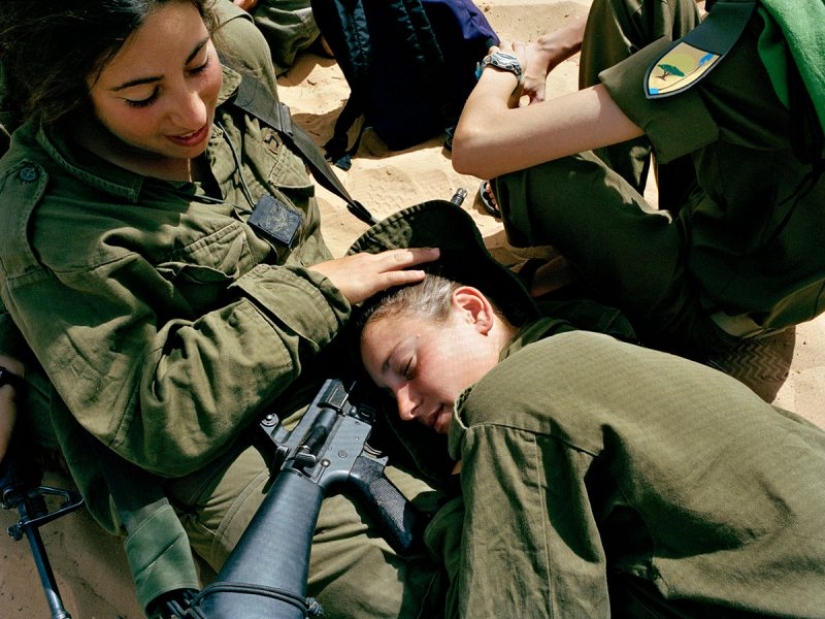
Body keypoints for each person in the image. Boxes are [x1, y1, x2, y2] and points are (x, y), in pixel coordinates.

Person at [0, 1, 446, 617]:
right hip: (219, 441)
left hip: (334, 338)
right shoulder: (57, 224)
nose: (191, 112)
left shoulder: (238, 53)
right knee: (416, 597)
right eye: (140, 96)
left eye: (197, 64)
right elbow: (156, 419)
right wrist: (313, 292)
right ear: (74, 93)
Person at [350, 201, 825, 619]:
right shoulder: (586, 353)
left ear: (474, 312)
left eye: (407, 367)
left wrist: (448, 516)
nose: (406, 408)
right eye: (391, 395)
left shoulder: (508, 401)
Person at [452, 0, 825, 403]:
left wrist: (506, 64)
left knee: (526, 163)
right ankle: (601, 227)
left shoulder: (753, 53)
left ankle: (589, 252)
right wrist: (550, 46)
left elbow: (475, 145)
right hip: (753, 236)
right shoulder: (804, 27)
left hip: (707, 306)